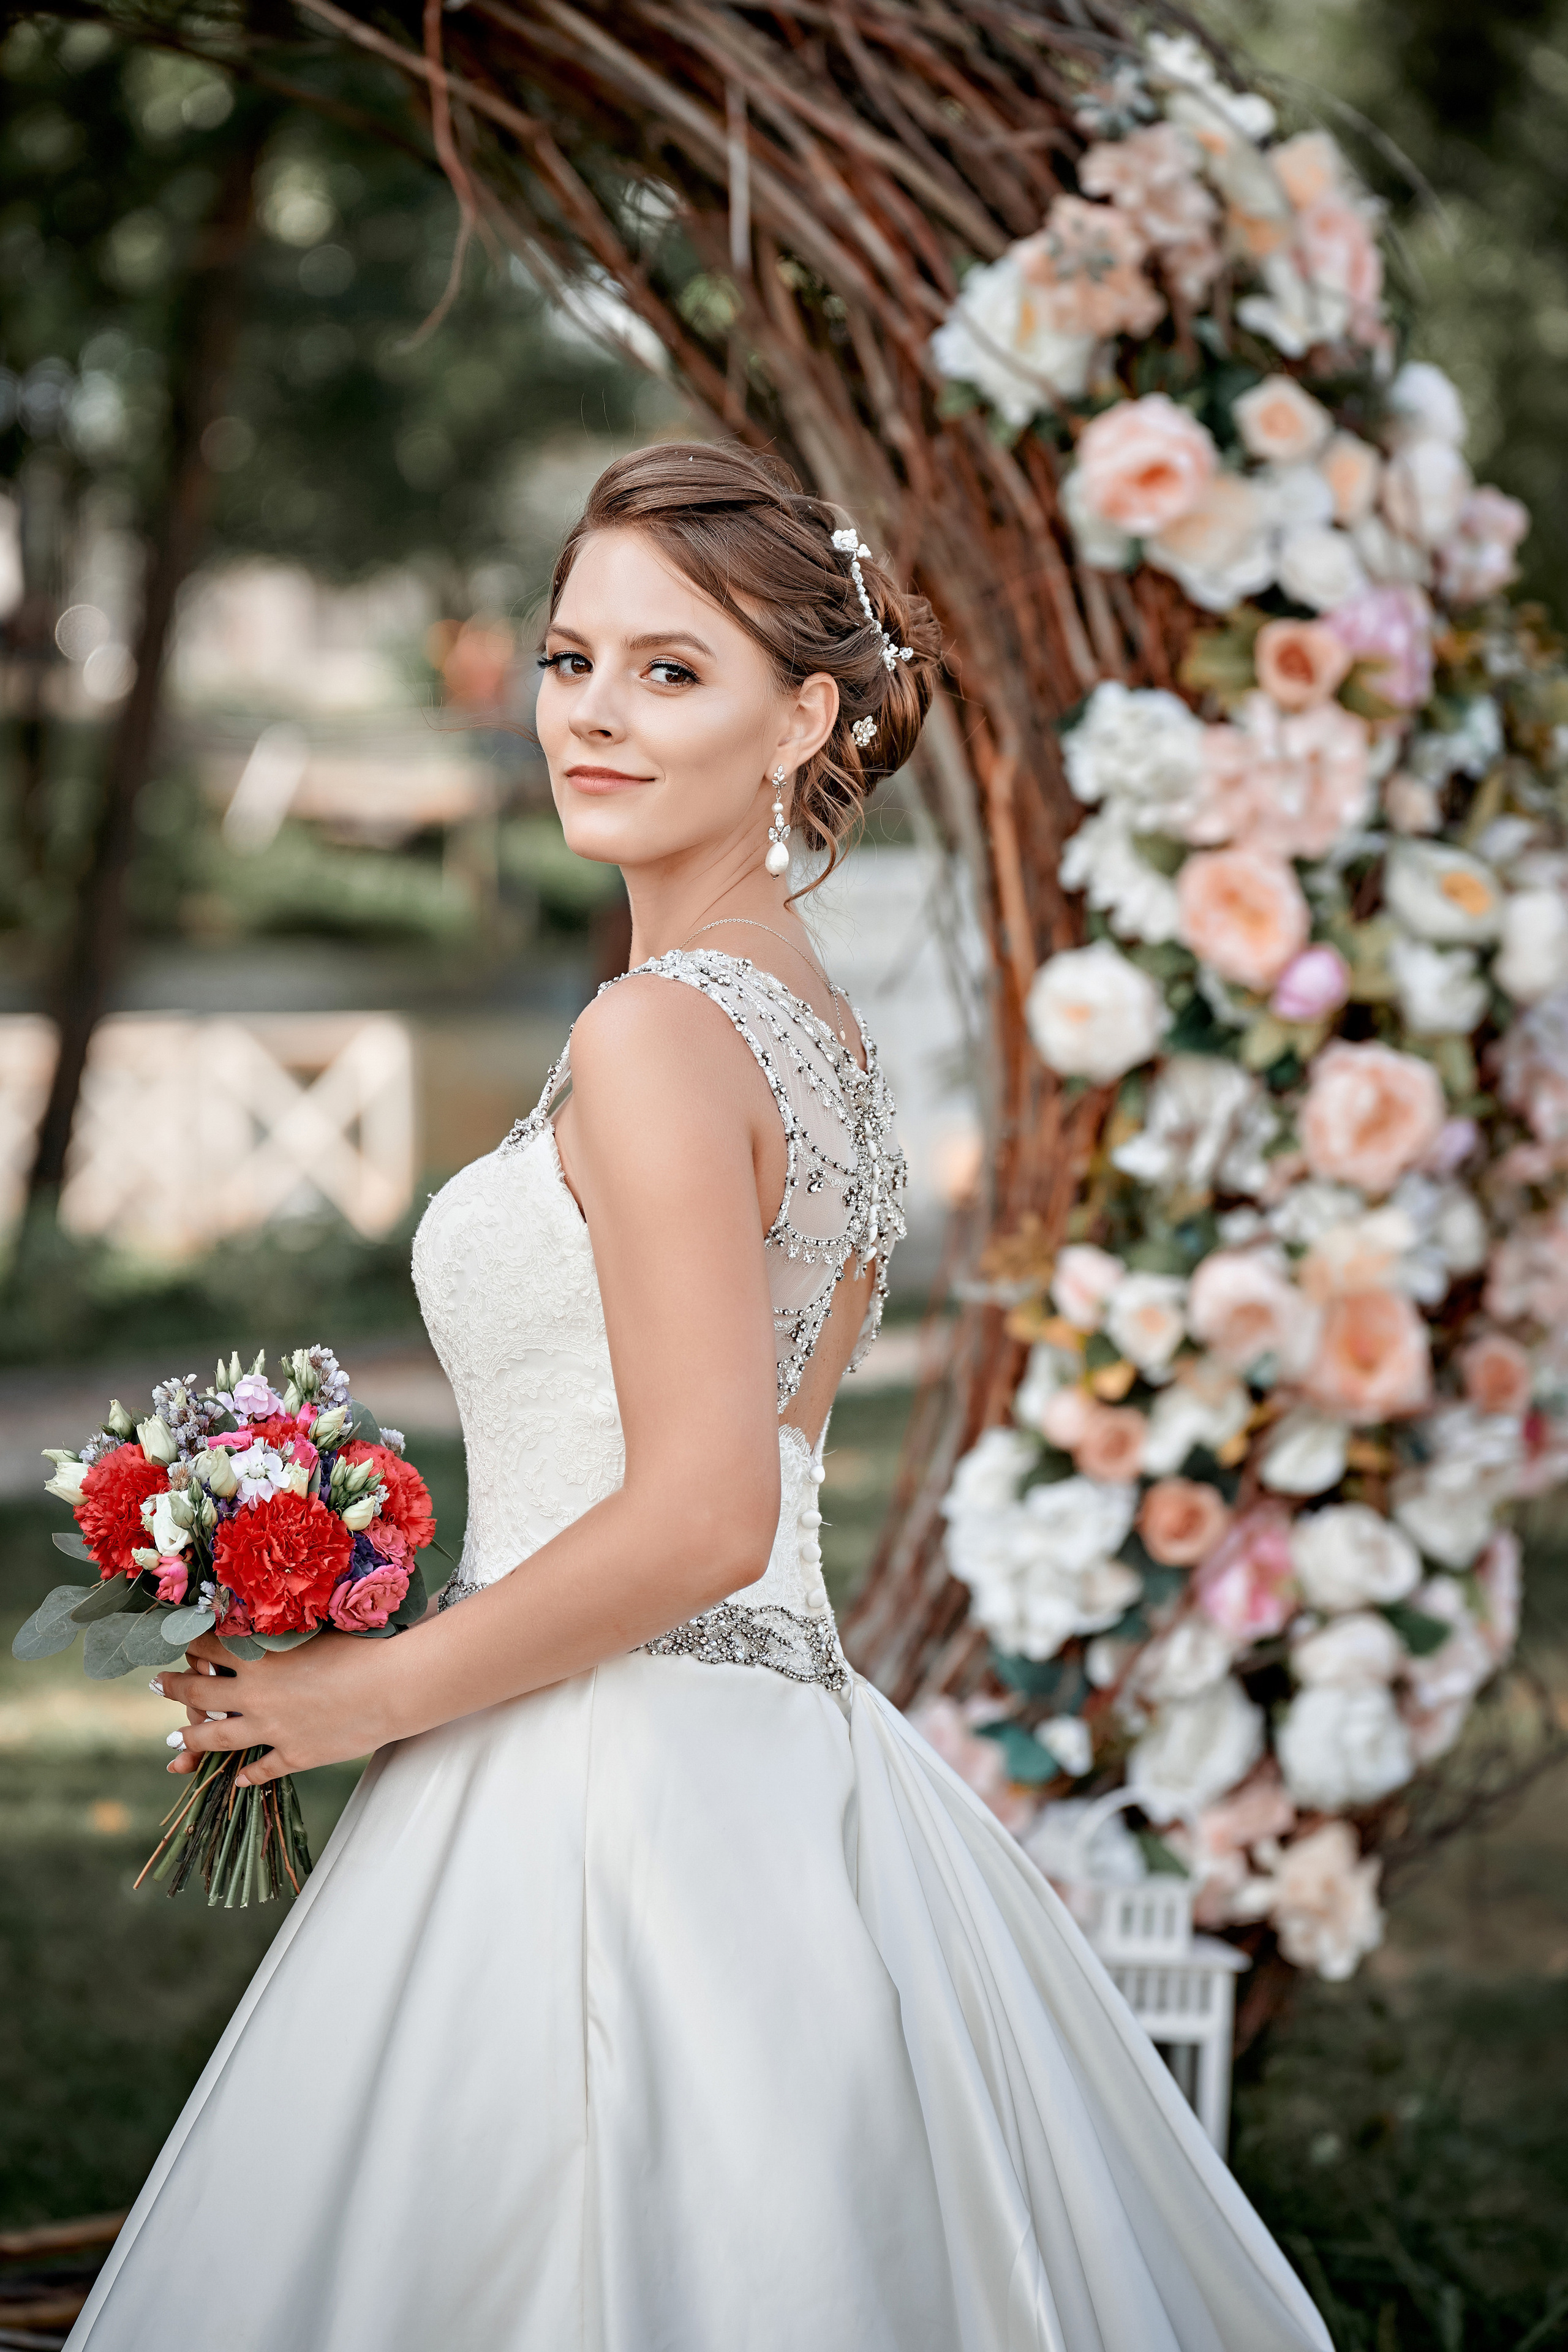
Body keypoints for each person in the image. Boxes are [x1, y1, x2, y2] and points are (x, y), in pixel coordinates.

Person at [69, 443, 1330, 2352]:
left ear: (801, 717)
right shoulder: (805, 1023)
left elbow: (704, 1515)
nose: (591, 712)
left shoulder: (656, 1031)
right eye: (573, 660)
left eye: (673, 671)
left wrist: (362, 1691)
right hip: (779, 1750)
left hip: (609, 1783)